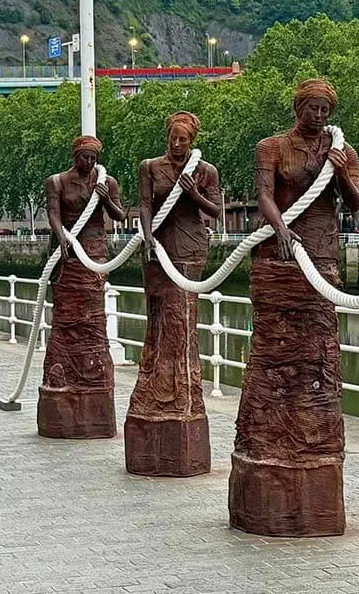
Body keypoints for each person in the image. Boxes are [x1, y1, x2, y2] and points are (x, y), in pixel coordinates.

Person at [229, 78, 359, 537]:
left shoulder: (341, 149)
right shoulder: (272, 147)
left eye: (326, 109)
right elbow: (266, 194)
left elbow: (357, 203)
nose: (320, 116)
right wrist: (281, 228)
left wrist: (342, 171)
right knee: (275, 352)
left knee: (317, 355)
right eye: (313, 108)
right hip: (278, 253)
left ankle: (314, 442)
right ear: (298, 107)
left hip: (321, 255)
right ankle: (269, 440)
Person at [125, 111, 221, 477]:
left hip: (189, 246)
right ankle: (153, 388)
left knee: (182, 319)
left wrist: (193, 191)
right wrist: (147, 237)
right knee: (157, 318)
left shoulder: (205, 171)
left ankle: (180, 393)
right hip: (157, 246)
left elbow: (216, 211)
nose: (177, 144)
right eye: (173, 138)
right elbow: (146, 205)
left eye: (184, 139)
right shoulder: (150, 166)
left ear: (192, 140)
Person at [39, 135, 127, 439]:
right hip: (67, 251)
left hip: (93, 250)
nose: (88, 163)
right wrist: (61, 236)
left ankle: (92, 380)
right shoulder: (58, 181)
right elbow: (53, 212)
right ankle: (63, 373)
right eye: (84, 158)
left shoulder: (107, 181)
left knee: (91, 318)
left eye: (93, 158)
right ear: (75, 155)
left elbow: (120, 214)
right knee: (67, 315)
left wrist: (105, 198)